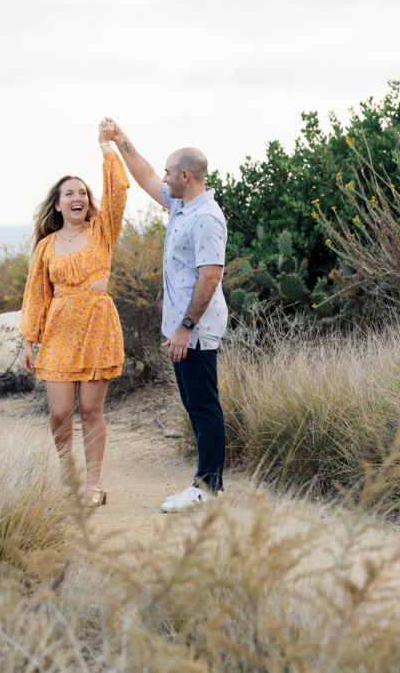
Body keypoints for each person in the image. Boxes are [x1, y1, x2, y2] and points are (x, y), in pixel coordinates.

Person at [109, 121, 229, 512]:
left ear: (185, 176)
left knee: (203, 405)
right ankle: (207, 485)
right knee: (195, 403)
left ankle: (207, 488)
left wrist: (185, 328)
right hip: (181, 328)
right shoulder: (181, 204)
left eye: (168, 172)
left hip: (195, 328)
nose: (162, 177)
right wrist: (120, 138)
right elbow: (142, 174)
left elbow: (211, 276)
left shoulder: (206, 217)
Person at [20, 118, 129, 507]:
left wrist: (106, 147)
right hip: (59, 332)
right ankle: (69, 479)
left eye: (82, 192)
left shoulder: (103, 231)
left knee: (90, 409)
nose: (78, 197)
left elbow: (117, 191)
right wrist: (29, 341)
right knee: (59, 413)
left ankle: (93, 486)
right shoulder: (47, 246)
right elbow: (36, 294)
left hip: (98, 326)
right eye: (70, 193)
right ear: (58, 203)